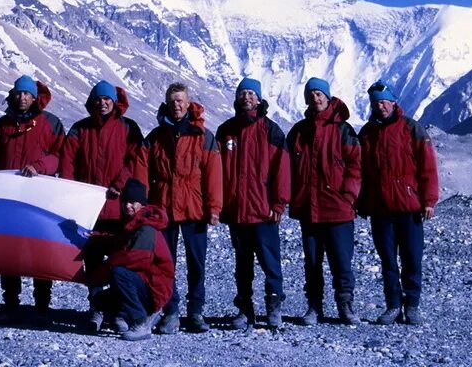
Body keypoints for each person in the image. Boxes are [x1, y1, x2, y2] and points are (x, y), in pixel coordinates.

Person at [0, 74, 66, 324]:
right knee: (9, 251)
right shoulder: (1, 125)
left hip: (39, 199)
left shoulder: (51, 123)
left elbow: (59, 155)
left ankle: (42, 305)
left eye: (27, 94)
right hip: (7, 200)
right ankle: (11, 303)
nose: (22, 98)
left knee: (40, 248)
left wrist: (41, 166)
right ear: (12, 95)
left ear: (34, 97)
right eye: (18, 93)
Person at [60, 80, 147, 314]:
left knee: (121, 259)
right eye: (98, 100)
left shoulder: (128, 128)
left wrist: (119, 184)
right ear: (91, 102)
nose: (102, 103)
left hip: (118, 208)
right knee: (94, 259)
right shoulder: (80, 129)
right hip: (90, 208)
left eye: (106, 99)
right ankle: (97, 306)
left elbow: (133, 160)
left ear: (114, 101)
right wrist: (72, 190)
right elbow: (68, 161)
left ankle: (119, 308)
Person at [358, 80, 439, 327]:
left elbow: (427, 167)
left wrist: (429, 200)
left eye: (384, 101)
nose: (380, 106)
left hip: (410, 208)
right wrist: (361, 202)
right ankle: (393, 305)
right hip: (380, 209)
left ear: (393, 102)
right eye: (375, 102)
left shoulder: (412, 129)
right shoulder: (367, 133)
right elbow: (360, 171)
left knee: (412, 258)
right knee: (388, 262)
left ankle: (411, 305)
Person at [145, 82, 221, 334]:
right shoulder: (156, 137)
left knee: (196, 262)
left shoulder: (203, 136)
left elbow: (213, 174)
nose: (176, 105)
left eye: (180, 100)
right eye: (172, 100)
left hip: (193, 207)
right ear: (166, 103)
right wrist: (142, 205)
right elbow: (142, 170)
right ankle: (171, 310)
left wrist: (214, 207)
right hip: (163, 206)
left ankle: (196, 311)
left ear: (188, 104)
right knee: (165, 262)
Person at [216, 77, 290, 329]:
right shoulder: (226, 130)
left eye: (251, 93)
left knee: (270, 262)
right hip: (237, 210)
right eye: (242, 93)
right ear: (237, 98)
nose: (246, 97)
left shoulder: (271, 131)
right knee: (242, 264)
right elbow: (218, 172)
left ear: (259, 98)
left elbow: (282, 170)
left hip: (263, 211)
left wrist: (278, 204)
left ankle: (273, 307)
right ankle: (245, 309)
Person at [287, 77, 361, 326]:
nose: (316, 98)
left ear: (328, 97)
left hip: (338, 208)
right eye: (312, 95)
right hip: (309, 207)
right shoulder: (299, 131)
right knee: (313, 262)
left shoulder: (343, 130)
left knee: (341, 261)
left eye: (320, 94)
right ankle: (314, 306)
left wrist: (348, 195)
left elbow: (355, 166)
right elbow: (288, 167)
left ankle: (345, 305)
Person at [86, 179, 174, 342]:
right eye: (125, 202)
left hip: (154, 290)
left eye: (133, 202)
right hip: (143, 284)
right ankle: (123, 317)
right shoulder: (132, 224)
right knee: (100, 300)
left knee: (119, 272)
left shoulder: (147, 229)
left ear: (142, 204)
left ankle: (141, 322)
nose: (128, 206)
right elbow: (118, 244)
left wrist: (99, 274)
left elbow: (134, 259)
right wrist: (96, 238)